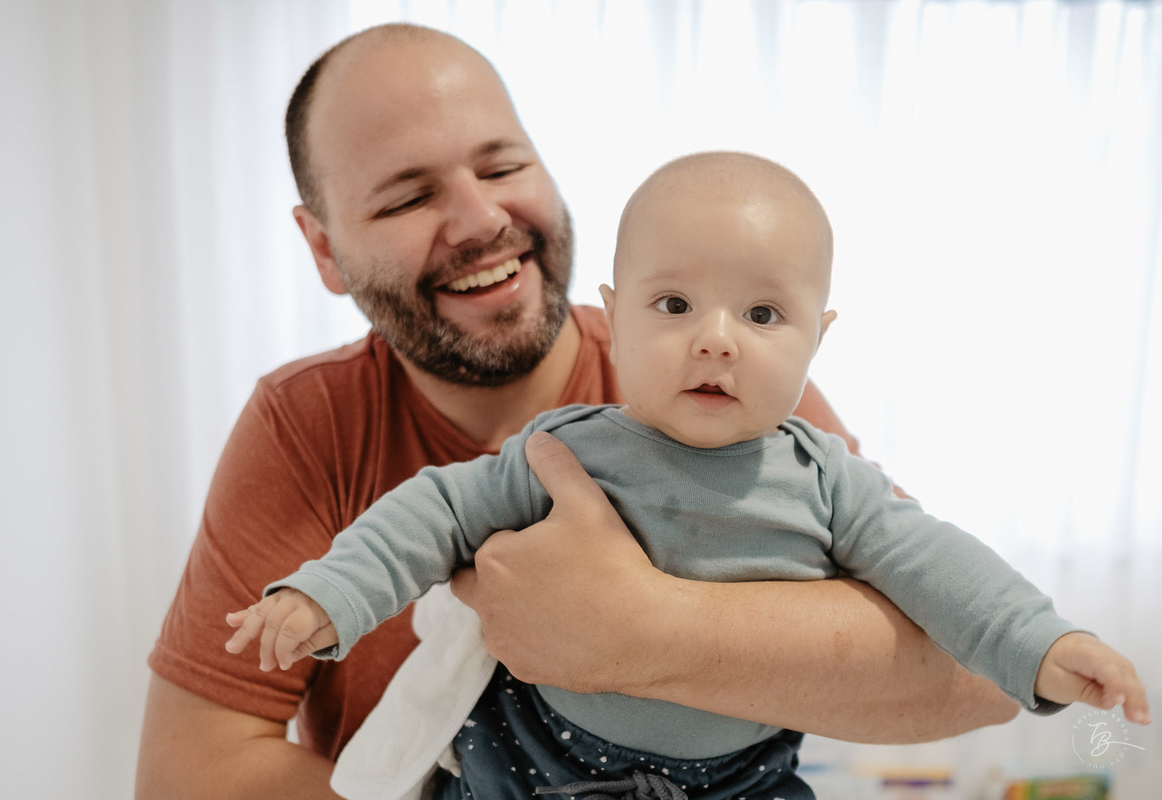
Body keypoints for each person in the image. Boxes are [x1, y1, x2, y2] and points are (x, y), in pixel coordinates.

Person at [136, 23, 1023, 800]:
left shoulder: (727, 390)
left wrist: (643, 632)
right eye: (409, 196)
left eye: (503, 164)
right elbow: (191, 775)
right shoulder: (309, 423)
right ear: (324, 250)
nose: (482, 217)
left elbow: (971, 672)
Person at [224, 152, 1149, 799]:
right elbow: (433, 513)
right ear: (615, 320)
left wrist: (1043, 644)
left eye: (761, 311)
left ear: (817, 342)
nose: (715, 336)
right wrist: (327, 596)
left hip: (744, 780)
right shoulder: (568, 447)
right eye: (673, 304)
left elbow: (942, 570)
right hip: (534, 759)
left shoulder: (828, 481)